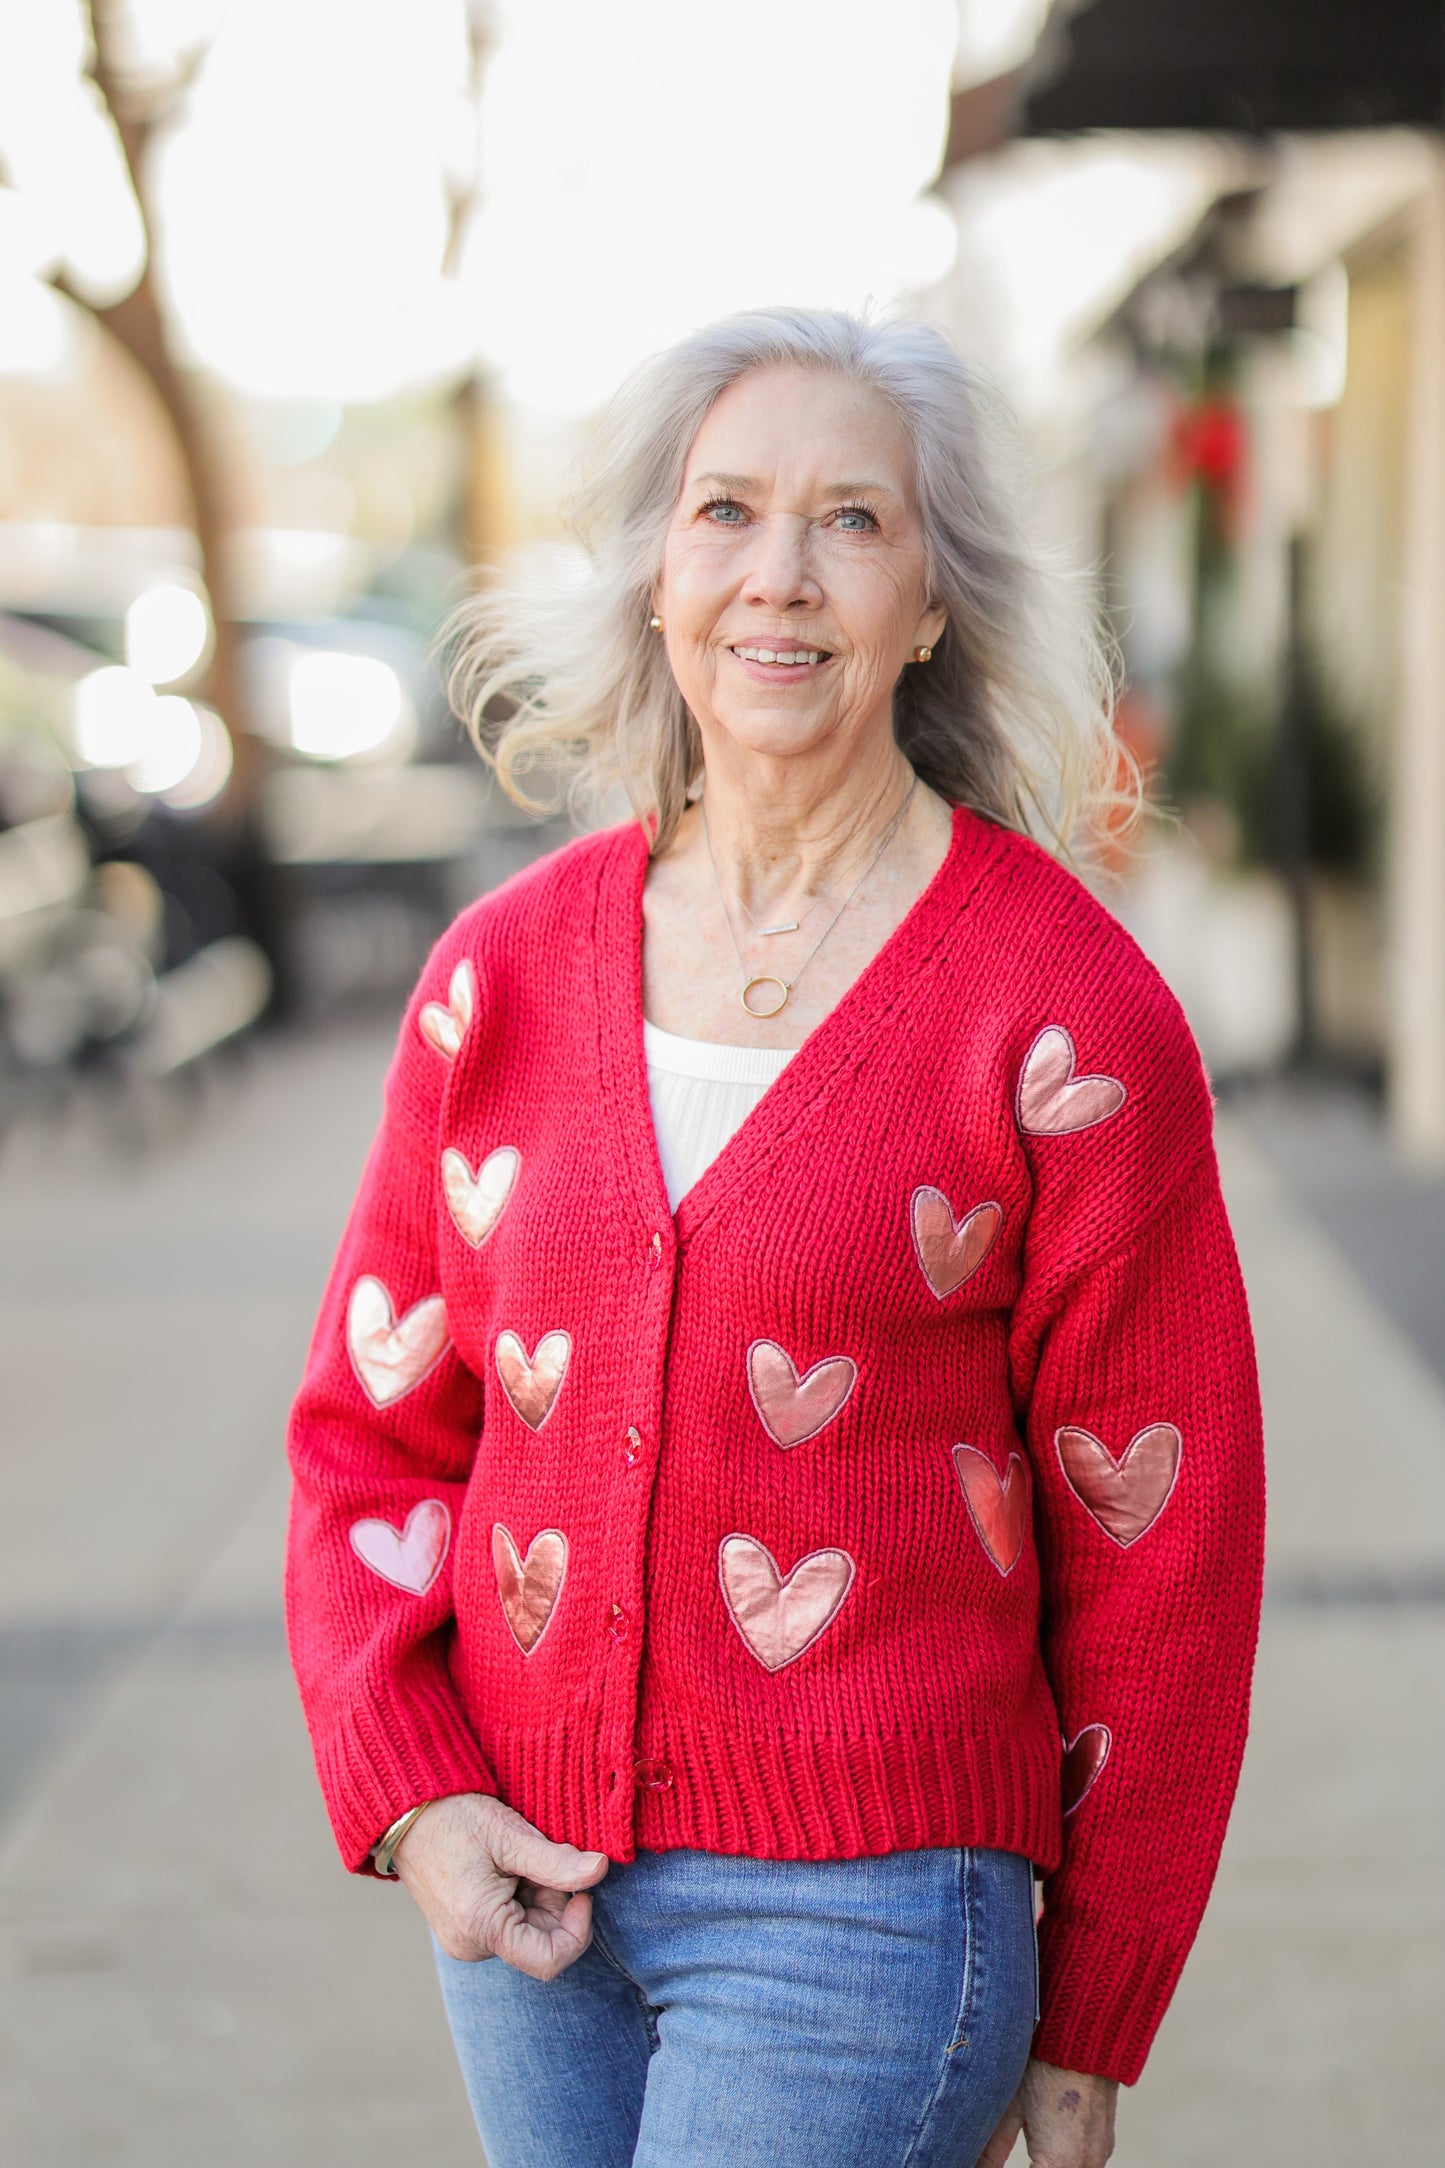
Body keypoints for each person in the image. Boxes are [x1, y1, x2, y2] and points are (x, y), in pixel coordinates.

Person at [283, 306, 1265, 2168]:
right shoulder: (494, 983)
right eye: (725, 511)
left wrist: (1097, 2003)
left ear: (933, 601)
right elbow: (370, 1439)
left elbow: (1165, 1553)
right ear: (657, 574)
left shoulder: (1061, 1018)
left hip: (872, 1915)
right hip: (524, 1903)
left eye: (853, 522)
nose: (777, 576)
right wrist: (415, 1799)